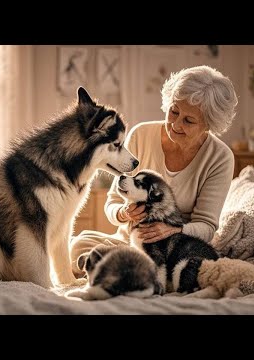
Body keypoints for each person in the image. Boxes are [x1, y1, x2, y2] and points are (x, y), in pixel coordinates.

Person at [70, 65, 239, 278]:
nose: (175, 124)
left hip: (174, 250)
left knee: (96, 260)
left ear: (208, 125)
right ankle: (128, 268)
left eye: (188, 120)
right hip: (128, 241)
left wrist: (174, 230)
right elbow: (112, 202)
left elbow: (206, 226)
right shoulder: (141, 134)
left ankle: (124, 271)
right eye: (174, 111)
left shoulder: (220, 157)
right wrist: (123, 213)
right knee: (78, 246)